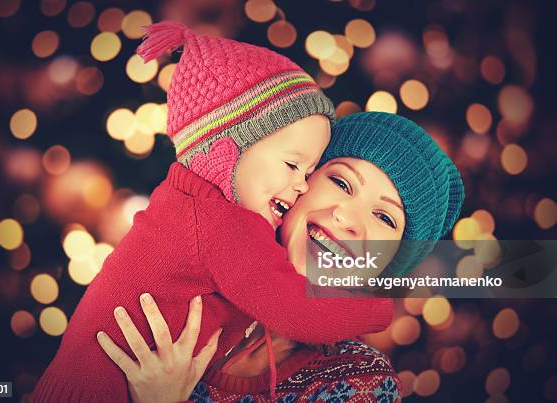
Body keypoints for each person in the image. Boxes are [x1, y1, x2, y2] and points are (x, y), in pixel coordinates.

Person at [31, 24, 393, 403]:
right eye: (291, 164)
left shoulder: (186, 197)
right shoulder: (225, 224)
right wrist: (378, 309)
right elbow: (295, 311)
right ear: (226, 149)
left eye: (308, 172)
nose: (302, 185)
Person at [96, 112, 465, 402]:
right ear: (299, 185)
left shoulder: (358, 380)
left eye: (384, 217)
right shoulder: (191, 272)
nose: (349, 219)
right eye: (341, 182)